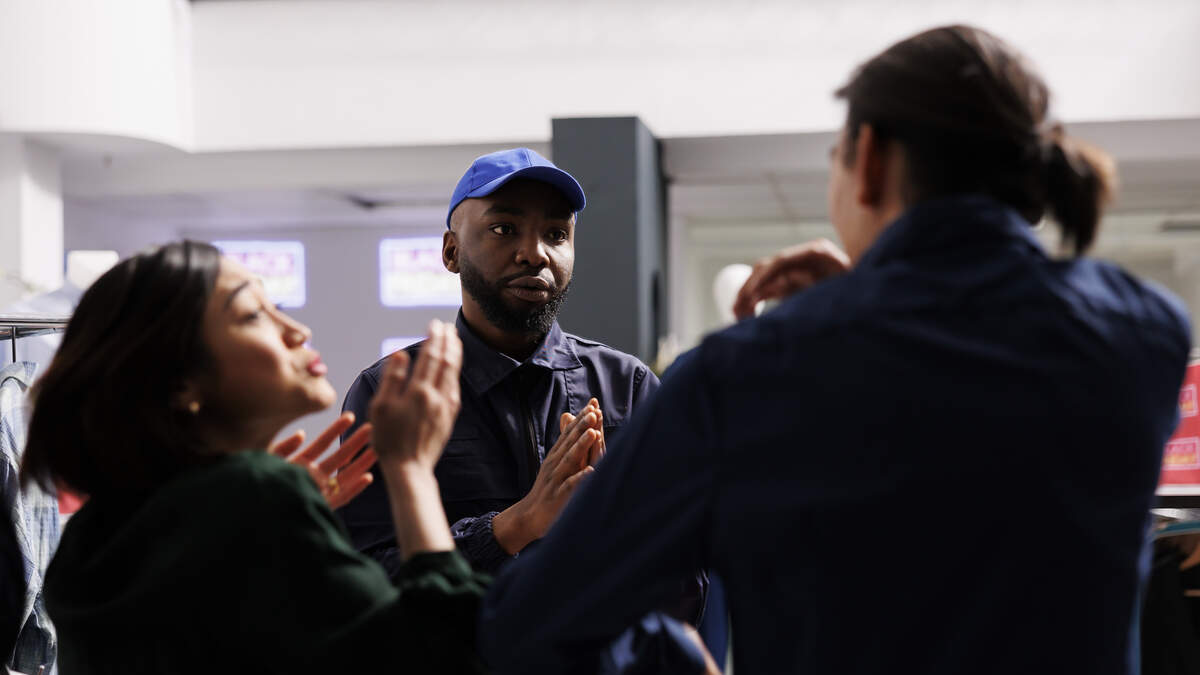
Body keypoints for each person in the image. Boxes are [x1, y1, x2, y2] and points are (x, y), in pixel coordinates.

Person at [479, 24, 1192, 674]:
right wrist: (871, 294)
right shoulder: (1143, 334)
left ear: (871, 160)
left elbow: (535, 624)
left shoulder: (743, 374)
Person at [19, 241, 489, 674]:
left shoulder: (95, 534)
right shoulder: (255, 495)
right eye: (251, 315)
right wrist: (410, 470)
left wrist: (267, 527)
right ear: (181, 383)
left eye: (275, 307)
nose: (297, 331)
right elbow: (448, 654)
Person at [340, 148, 668, 577]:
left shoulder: (627, 387)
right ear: (451, 252)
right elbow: (365, 575)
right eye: (504, 228)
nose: (535, 254)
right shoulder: (392, 393)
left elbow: (683, 564)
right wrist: (513, 527)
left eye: (556, 234)